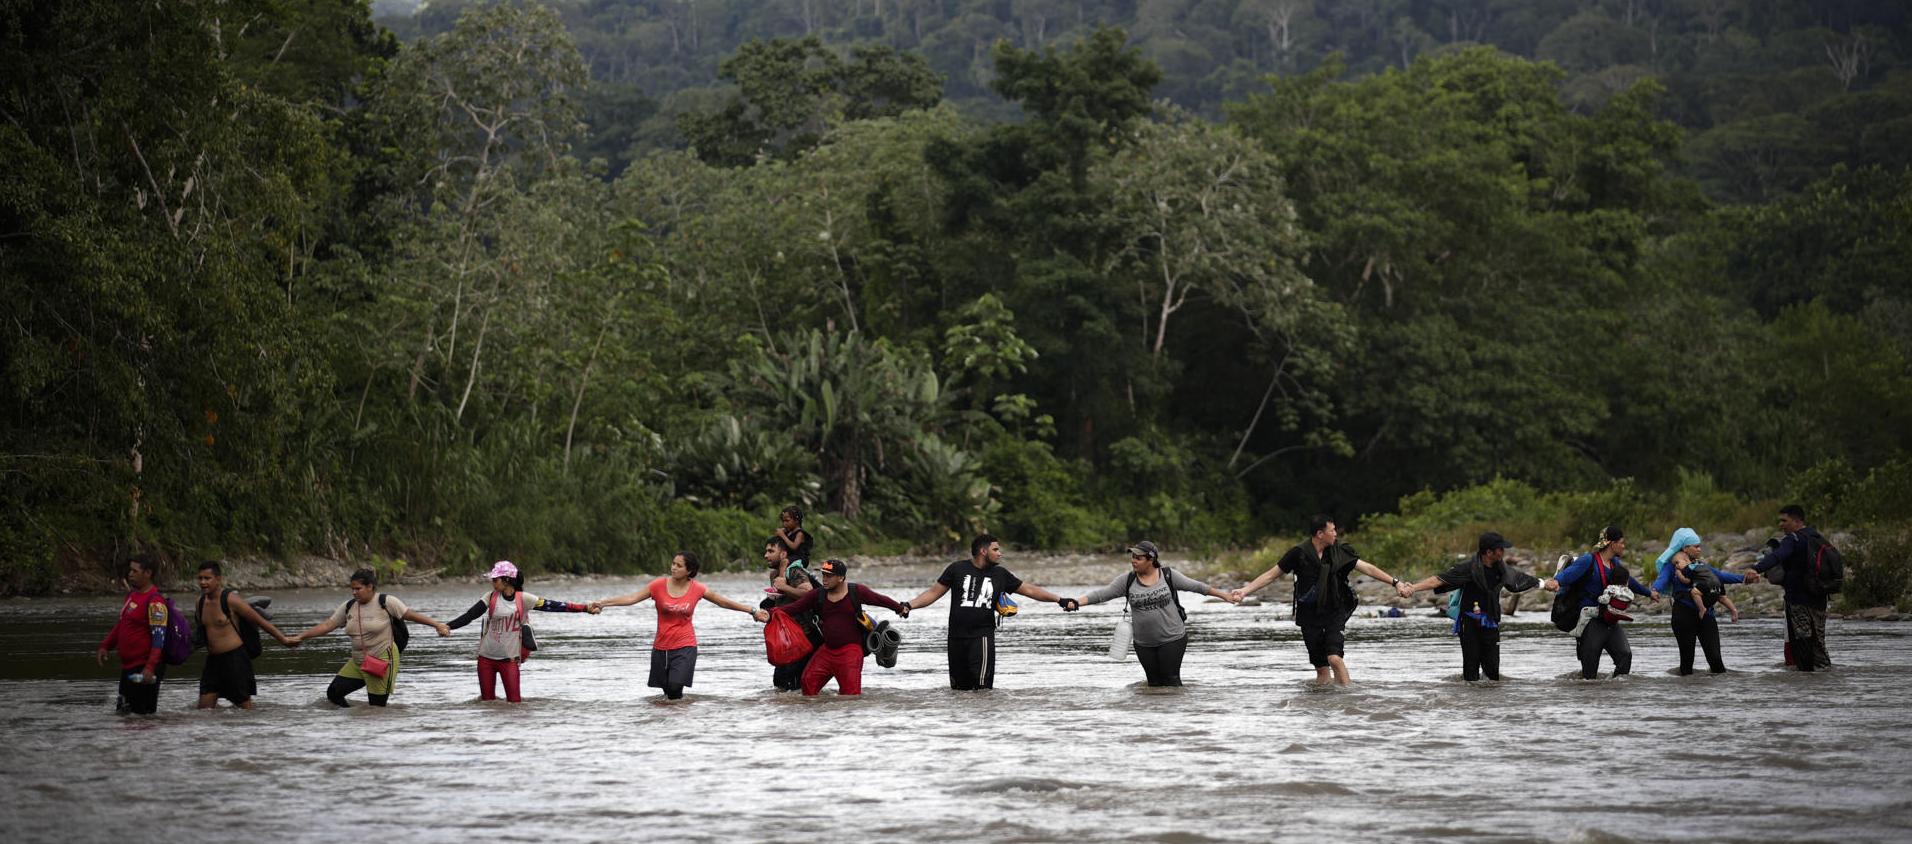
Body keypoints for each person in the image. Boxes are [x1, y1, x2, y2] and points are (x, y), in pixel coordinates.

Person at [1232, 515, 1412, 685]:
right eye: (1332, 530)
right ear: (1320, 534)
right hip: (1309, 615)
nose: (1335, 534)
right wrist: (1245, 591)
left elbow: (1368, 568)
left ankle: (1348, 700)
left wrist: (1395, 583)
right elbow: (1271, 575)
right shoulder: (1298, 553)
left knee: (1334, 658)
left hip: (1335, 610)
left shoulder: (1339, 551)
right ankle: (1322, 706)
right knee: (1322, 671)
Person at [902, 534, 1078, 690]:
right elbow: (933, 593)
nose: (1000, 553)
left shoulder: (1001, 574)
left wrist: (1059, 599)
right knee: (957, 691)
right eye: (996, 549)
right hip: (955, 637)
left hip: (982, 638)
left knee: (983, 691)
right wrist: (909, 605)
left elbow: (1030, 590)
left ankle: (986, 725)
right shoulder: (956, 569)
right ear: (983, 551)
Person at [592, 552, 770, 700]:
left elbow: (722, 602)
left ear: (689, 570)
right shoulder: (658, 585)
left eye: (678, 565)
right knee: (668, 694)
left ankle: (682, 725)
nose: (673, 568)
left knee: (676, 687)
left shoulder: (697, 588)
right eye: (673, 564)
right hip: (661, 647)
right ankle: (671, 729)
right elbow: (631, 599)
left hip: (685, 646)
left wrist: (752, 611)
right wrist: (604, 602)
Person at [1073, 540, 1239, 687]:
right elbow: (1102, 594)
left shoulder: (1167, 575)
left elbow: (1198, 587)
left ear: (1151, 559)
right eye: (1132, 557)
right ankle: (1154, 719)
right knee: (1153, 685)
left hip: (1172, 638)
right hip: (1143, 643)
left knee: (1171, 681)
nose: (1133, 561)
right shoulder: (1128, 580)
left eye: (1138, 558)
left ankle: (1179, 717)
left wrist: (1225, 596)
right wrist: (1076, 602)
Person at [1401, 533, 1557, 682]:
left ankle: (1489, 703)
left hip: (1490, 622)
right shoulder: (1469, 568)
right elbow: (1439, 580)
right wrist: (1413, 588)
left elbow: (1520, 578)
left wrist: (1544, 584)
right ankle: (1471, 703)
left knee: (1493, 673)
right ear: (1489, 552)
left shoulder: (1501, 569)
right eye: (1500, 549)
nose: (1503, 552)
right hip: (1469, 624)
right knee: (1471, 672)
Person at [288, 568, 451, 707]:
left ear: (370, 587)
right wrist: (301, 636)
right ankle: (351, 717)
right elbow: (327, 625)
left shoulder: (386, 602)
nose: (354, 592)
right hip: (359, 661)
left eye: (358, 588)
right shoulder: (349, 606)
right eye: (352, 589)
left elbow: (411, 615)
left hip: (382, 660)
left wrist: (437, 625)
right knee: (334, 694)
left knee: (377, 709)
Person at [444, 561, 598, 703]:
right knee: (486, 704)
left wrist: (584, 608)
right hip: (485, 659)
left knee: (515, 704)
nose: (492, 583)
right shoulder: (490, 597)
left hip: (509, 660)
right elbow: (470, 615)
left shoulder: (524, 599)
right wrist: (448, 626)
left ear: (507, 580)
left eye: (495, 579)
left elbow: (554, 606)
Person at [771, 559, 909, 695]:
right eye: (823, 575)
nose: (824, 579)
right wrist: (769, 613)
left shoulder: (856, 591)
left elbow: (880, 599)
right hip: (827, 651)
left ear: (841, 577)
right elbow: (795, 608)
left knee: (850, 696)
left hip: (850, 652)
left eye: (829, 576)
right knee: (807, 683)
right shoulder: (818, 594)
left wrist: (899, 608)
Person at [1554, 526, 1658, 680]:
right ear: (1612, 544)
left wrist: (1649, 593)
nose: (1624, 546)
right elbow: (1567, 575)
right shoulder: (1588, 561)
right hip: (1589, 620)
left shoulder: (1615, 563)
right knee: (1589, 675)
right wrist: (1555, 582)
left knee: (1625, 656)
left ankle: (1614, 695)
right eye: (1621, 543)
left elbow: (1629, 581)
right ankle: (1590, 701)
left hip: (1609, 618)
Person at [193, 561, 297, 709]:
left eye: (207, 578)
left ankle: (253, 730)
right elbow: (201, 632)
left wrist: (284, 639)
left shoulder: (230, 599)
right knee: (204, 709)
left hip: (235, 660)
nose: (203, 582)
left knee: (244, 709)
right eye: (200, 578)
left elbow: (260, 621)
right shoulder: (200, 602)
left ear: (218, 579)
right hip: (212, 662)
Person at [1651, 528, 1749, 676]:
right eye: (1696, 546)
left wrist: (1744, 579)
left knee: (1716, 661)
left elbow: (1721, 576)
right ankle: (1688, 696)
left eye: (1699, 545)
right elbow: (1662, 580)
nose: (1699, 549)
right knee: (1687, 664)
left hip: (1706, 616)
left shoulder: (1701, 565)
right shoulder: (1672, 566)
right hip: (1683, 615)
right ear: (1685, 548)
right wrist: (1655, 590)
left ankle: (1717, 696)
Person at [1751, 504, 1833, 671]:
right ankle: (1824, 678)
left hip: (1797, 600)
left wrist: (1755, 569)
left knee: (1802, 639)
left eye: (1784, 520)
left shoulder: (1792, 539)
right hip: (1819, 598)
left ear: (1796, 521)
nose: (1781, 524)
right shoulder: (1817, 537)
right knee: (1819, 642)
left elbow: (1777, 556)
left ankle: (1804, 681)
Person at [96, 555, 171, 715]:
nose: (130, 574)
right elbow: (122, 624)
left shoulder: (155, 602)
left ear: (148, 573)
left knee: (143, 719)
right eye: (130, 570)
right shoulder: (132, 596)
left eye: (134, 571)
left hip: (145, 668)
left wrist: (150, 667)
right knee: (124, 715)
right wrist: (106, 645)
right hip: (129, 667)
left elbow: (159, 638)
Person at [761, 536, 818, 692]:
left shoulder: (794, 571)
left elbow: (809, 594)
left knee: (795, 687)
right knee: (780, 684)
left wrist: (784, 588)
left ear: (783, 554)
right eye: (766, 551)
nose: (766, 555)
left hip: (804, 636)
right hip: (787, 637)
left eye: (771, 551)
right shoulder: (774, 574)